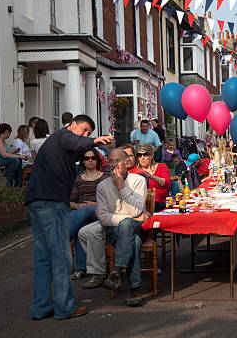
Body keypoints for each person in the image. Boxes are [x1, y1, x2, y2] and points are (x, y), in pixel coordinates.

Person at [25, 115, 113, 320]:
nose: (84, 135)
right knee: (61, 257)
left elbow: (80, 147)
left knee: (43, 258)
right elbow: (76, 141)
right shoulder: (63, 135)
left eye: (88, 133)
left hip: (37, 201)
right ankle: (64, 308)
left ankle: (41, 307)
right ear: (72, 124)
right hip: (52, 203)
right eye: (83, 130)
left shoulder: (62, 143)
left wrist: (99, 147)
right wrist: (94, 140)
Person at [95, 148, 149, 307]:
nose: (113, 165)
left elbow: (136, 210)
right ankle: (135, 289)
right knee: (135, 241)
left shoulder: (138, 181)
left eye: (117, 161)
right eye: (110, 161)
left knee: (131, 229)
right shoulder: (102, 186)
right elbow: (103, 217)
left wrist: (121, 187)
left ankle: (117, 271)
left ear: (126, 163)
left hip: (138, 226)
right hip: (115, 230)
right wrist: (129, 218)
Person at [68, 148, 109, 281]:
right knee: (81, 225)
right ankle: (81, 268)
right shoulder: (78, 179)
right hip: (82, 212)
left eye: (93, 158)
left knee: (84, 211)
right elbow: (71, 201)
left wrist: (95, 204)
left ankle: (62, 238)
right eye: (87, 158)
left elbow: (110, 200)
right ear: (83, 161)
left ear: (97, 160)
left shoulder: (105, 177)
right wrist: (77, 206)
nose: (90, 160)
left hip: (100, 210)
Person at [136, 144, 171, 211]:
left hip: (162, 204)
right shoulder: (135, 171)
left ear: (151, 155)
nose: (142, 158)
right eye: (139, 155)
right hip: (143, 205)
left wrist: (151, 176)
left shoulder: (161, 167)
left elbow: (167, 184)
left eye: (145, 154)